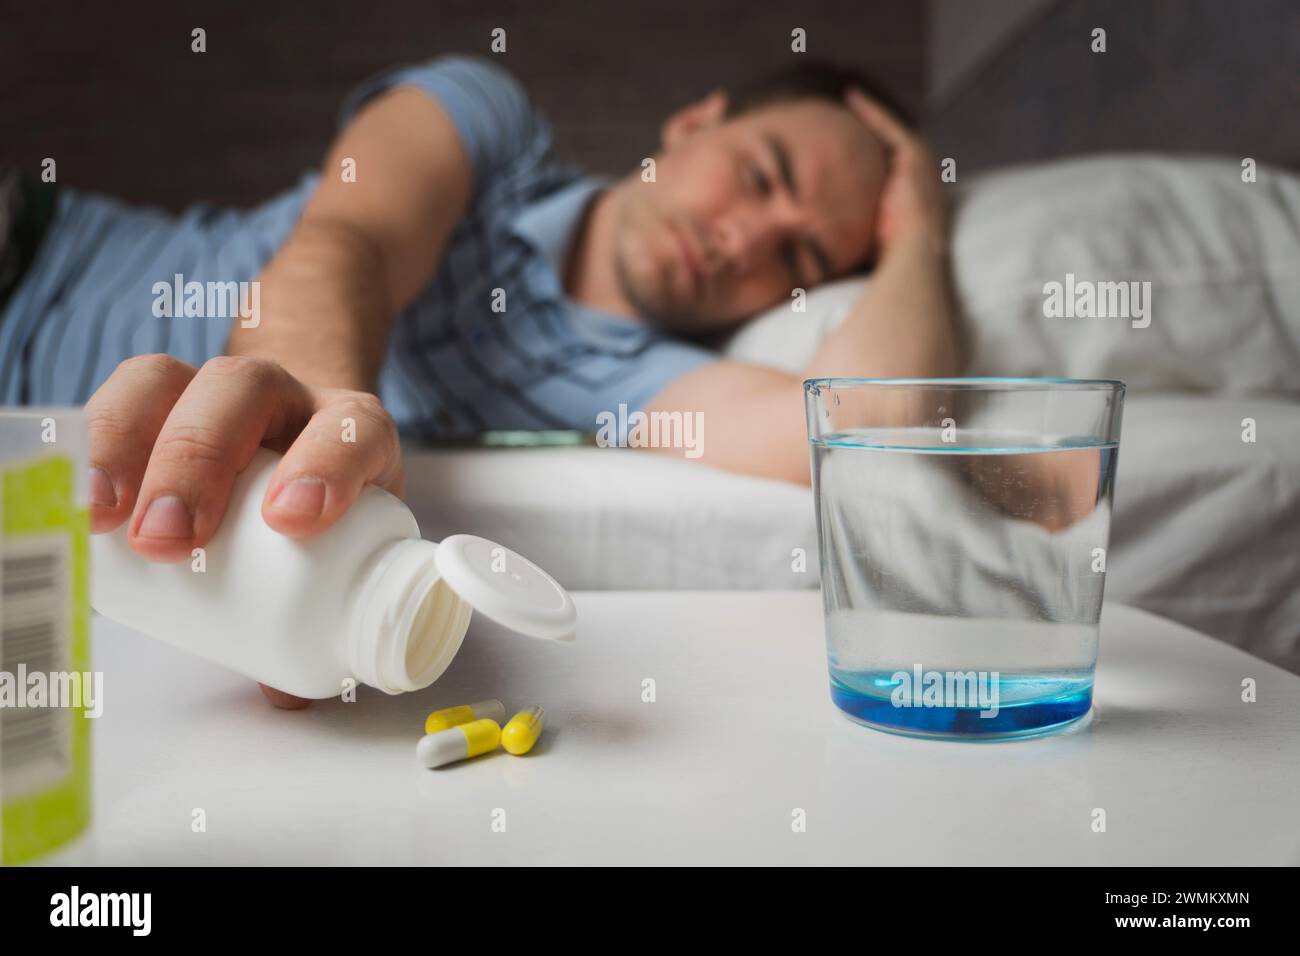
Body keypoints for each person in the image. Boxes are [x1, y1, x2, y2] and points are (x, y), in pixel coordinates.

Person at [0, 56, 962, 706]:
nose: (743, 240)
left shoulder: (642, 384)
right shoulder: (486, 122)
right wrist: (302, 404)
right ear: (694, 123)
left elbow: (867, 420)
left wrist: (921, 225)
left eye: (798, 252)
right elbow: (352, 241)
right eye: (759, 176)